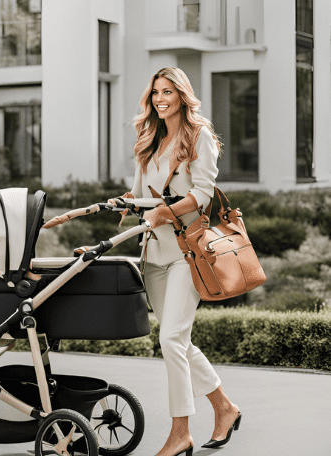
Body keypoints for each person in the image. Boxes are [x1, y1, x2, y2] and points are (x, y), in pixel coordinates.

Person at [113, 67, 241, 456]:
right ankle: (225, 408)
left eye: (168, 91)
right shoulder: (148, 137)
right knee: (178, 340)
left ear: (182, 95)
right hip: (154, 254)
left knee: (170, 338)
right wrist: (124, 204)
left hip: (189, 253)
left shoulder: (199, 135)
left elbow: (202, 194)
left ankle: (180, 432)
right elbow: (140, 194)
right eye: (155, 93)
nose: (160, 99)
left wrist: (164, 213)